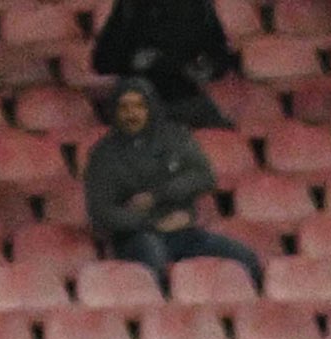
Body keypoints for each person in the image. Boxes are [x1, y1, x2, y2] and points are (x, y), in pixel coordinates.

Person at [83, 79, 262, 289]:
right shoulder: (103, 155)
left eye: (139, 106)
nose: (132, 113)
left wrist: (157, 195)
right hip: (134, 236)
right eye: (125, 107)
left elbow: (203, 177)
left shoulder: (175, 138)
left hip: (183, 232)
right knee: (153, 258)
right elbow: (101, 211)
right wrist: (152, 223)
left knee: (244, 258)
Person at [92, 0, 235, 130]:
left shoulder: (199, 5)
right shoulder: (130, 7)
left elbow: (220, 55)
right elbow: (102, 61)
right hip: (140, 101)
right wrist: (133, 62)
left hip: (186, 97)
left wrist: (208, 69)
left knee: (225, 135)